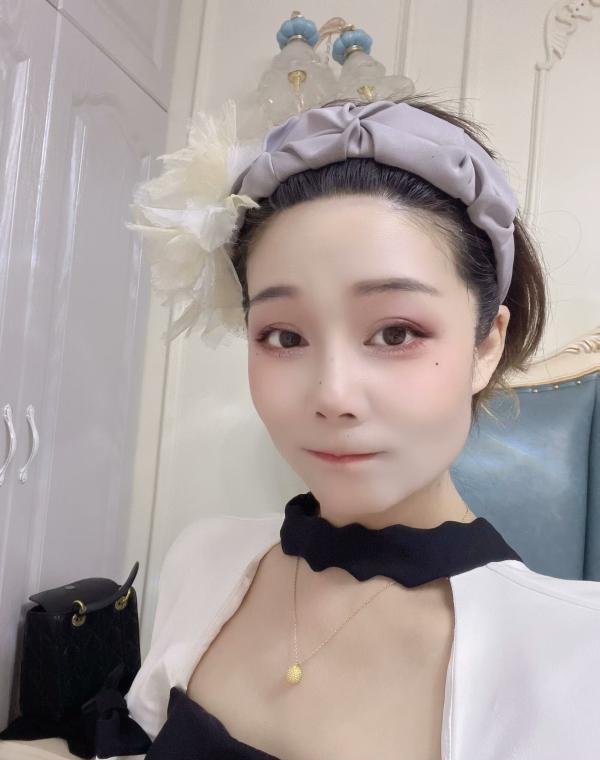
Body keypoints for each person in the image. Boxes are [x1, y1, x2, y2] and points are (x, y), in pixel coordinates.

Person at [99, 94, 600, 759]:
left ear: (487, 344)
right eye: (284, 336)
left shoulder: (575, 658)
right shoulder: (204, 560)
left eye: (396, 333)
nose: (333, 396)